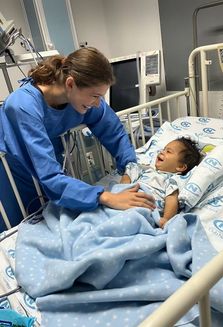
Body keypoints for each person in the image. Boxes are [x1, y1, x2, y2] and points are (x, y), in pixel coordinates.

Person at [0, 47, 156, 228]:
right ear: (70, 83)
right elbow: (50, 176)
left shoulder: (79, 100)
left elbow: (113, 130)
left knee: (50, 217)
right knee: (17, 225)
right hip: (13, 172)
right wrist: (105, 197)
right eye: (95, 96)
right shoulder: (23, 105)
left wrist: (129, 169)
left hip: (47, 166)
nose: (98, 103)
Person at [120, 137, 201, 228]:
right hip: (125, 200)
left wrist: (166, 219)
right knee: (131, 167)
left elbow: (171, 200)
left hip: (144, 208)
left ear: (181, 166)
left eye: (168, 151)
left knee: (130, 220)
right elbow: (129, 174)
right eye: (163, 149)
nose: (161, 152)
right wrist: (122, 190)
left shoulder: (171, 180)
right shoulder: (146, 170)